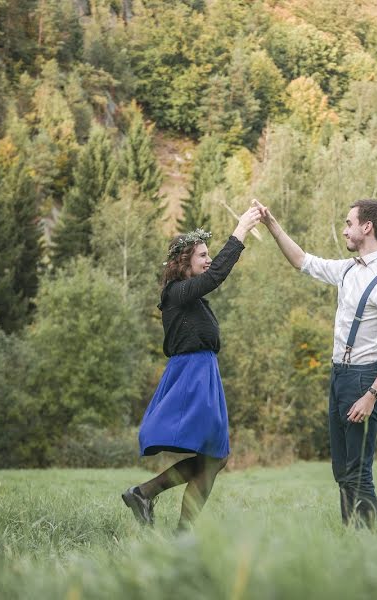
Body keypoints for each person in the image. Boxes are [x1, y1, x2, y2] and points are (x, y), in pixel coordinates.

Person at [253, 198, 377, 529]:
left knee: (359, 471)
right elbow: (302, 261)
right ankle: (351, 539)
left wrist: (371, 394)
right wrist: (272, 224)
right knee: (341, 470)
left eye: (348, 223)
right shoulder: (348, 269)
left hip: (364, 379)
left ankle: (369, 549)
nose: (344, 229)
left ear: (367, 227)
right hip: (339, 375)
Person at [122, 207, 262, 530]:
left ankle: (146, 496)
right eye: (202, 254)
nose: (208, 259)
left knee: (216, 457)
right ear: (184, 262)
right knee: (215, 456)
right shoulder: (176, 294)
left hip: (205, 376)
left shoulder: (193, 300)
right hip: (192, 377)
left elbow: (210, 280)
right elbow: (215, 277)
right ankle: (167, 518)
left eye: (209, 253)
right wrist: (240, 231)